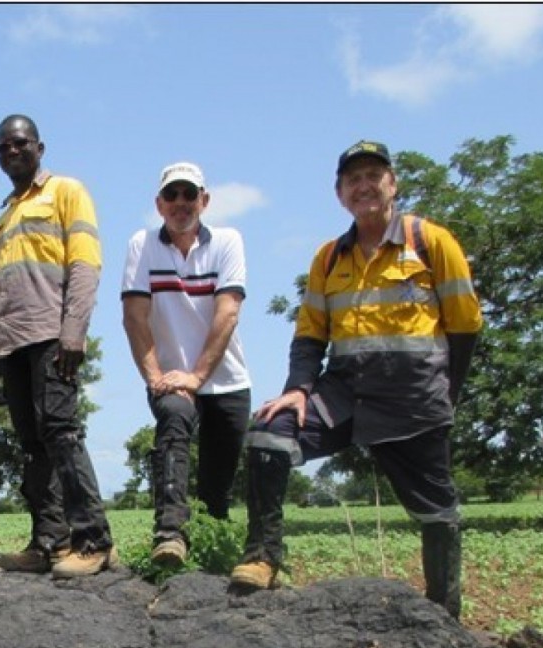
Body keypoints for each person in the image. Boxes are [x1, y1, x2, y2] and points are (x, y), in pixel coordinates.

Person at [233, 140, 483, 617]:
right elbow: (309, 336)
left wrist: (447, 396)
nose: (364, 186)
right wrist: (298, 389)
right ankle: (262, 556)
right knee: (269, 430)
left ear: (393, 184)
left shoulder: (431, 242)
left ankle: (445, 614)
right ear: (340, 193)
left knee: (437, 510)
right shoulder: (329, 258)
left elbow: (466, 327)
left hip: (412, 396)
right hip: (345, 391)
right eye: (353, 180)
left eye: (374, 176)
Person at [0, 113, 115, 578]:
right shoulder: (3, 219)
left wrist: (73, 331)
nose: (12, 152)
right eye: (3, 147)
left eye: (20, 143)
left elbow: (85, 265)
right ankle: (49, 542)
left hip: (52, 336)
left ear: (39, 147)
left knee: (60, 432)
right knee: (33, 445)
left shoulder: (66, 192)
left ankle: (93, 539)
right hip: (14, 345)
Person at [121, 162, 251, 567]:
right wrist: (156, 378)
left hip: (226, 380)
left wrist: (197, 375)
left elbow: (227, 314)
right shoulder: (142, 245)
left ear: (204, 201)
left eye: (189, 195)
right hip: (173, 382)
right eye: (172, 195)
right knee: (174, 420)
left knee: (217, 490)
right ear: (159, 204)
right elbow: (134, 316)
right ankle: (170, 534)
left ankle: (215, 564)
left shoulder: (227, 241)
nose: (181, 203)